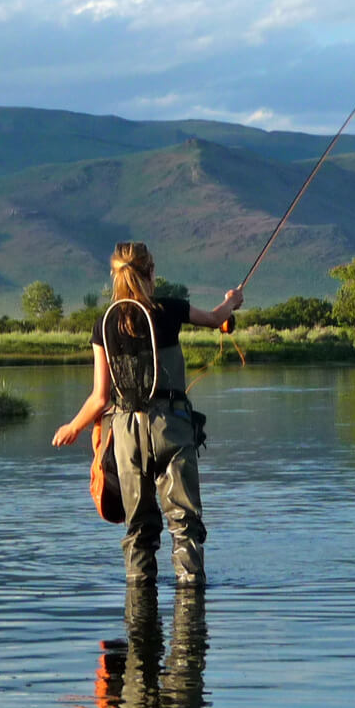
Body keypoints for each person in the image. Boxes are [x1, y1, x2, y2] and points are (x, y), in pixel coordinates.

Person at [52, 241, 242, 586]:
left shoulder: (103, 324)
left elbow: (99, 398)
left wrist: (72, 427)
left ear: (117, 277)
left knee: (138, 526)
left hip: (125, 434)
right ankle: (190, 604)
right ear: (151, 272)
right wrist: (232, 301)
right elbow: (217, 319)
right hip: (170, 426)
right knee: (183, 522)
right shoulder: (168, 309)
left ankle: (139, 609)